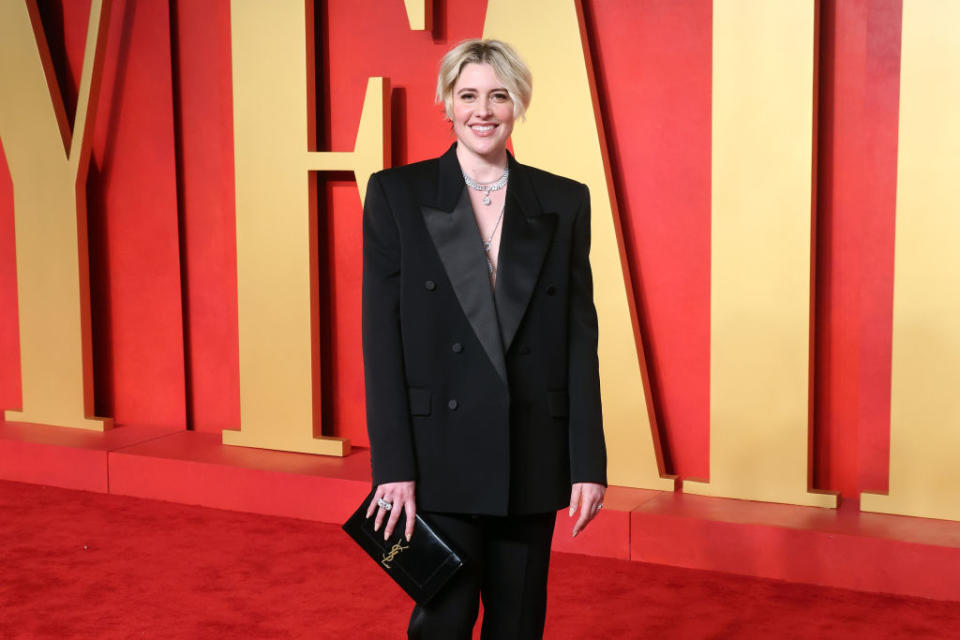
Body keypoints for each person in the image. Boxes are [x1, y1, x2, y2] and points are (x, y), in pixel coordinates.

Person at [362, 38, 606, 639]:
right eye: (468, 94)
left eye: (499, 95)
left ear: (518, 103)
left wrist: (588, 460)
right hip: (435, 450)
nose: (483, 110)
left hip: (532, 447)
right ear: (447, 103)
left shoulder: (563, 200)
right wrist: (393, 465)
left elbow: (579, 339)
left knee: (519, 622)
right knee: (442, 619)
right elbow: (380, 339)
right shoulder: (397, 194)